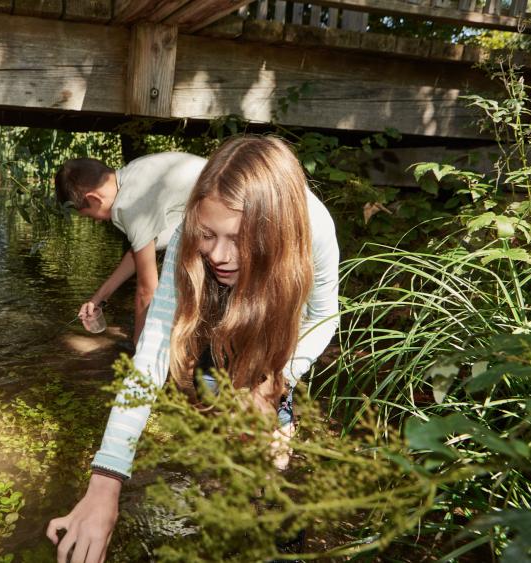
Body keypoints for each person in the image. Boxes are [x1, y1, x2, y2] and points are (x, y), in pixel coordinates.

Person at [47, 136, 340, 563]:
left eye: (237, 238)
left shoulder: (314, 228)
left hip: (278, 317)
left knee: (270, 431)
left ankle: (276, 503)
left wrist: (277, 378)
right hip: (217, 316)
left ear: (272, 227)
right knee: (220, 412)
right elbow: (151, 353)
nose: (220, 256)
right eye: (207, 235)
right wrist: (105, 479)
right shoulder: (191, 228)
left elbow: (326, 315)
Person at [55, 152, 207, 343]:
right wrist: (99, 298)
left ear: (94, 199)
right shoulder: (133, 174)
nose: (95, 221)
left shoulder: (129, 206)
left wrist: (139, 351)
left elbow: (147, 290)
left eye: (89, 215)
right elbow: (140, 252)